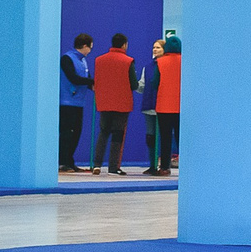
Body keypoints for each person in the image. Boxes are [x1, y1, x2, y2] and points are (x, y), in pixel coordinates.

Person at [92, 32, 136, 175]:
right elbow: (134, 84)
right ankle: (113, 167)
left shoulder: (99, 60)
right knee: (118, 135)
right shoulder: (128, 61)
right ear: (124, 44)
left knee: (103, 132)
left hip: (104, 102)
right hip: (122, 103)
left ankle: (97, 164)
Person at [145, 35, 182, 175]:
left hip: (164, 106)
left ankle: (165, 167)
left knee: (165, 137)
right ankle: (185, 166)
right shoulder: (186, 62)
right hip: (181, 107)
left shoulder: (160, 62)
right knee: (181, 138)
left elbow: (154, 82)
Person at [60, 34, 95, 173]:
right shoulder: (67, 58)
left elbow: (87, 78)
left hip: (79, 103)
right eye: (90, 47)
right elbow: (73, 78)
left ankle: (69, 161)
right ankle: (62, 162)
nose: (90, 51)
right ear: (85, 46)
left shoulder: (83, 61)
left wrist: (92, 84)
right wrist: (91, 82)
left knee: (76, 133)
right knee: (67, 133)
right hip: (67, 102)